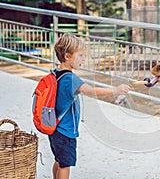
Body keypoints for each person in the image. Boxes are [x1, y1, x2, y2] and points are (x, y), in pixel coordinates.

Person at [49, 33, 130, 179]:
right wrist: (115, 90)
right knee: (65, 165)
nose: (83, 59)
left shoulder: (56, 73)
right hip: (65, 131)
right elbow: (92, 91)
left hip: (54, 129)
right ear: (67, 56)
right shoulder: (71, 79)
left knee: (59, 160)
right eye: (80, 55)